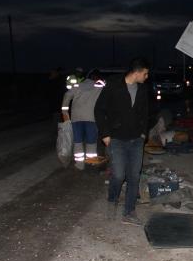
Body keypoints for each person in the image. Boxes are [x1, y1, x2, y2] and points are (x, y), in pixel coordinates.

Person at [94, 57, 151, 225]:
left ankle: (129, 212)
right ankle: (112, 199)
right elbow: (99, 110)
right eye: (146, 74)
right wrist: (105, 134)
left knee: (134, 176)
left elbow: (145, 113)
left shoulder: (142, 89)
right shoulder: (113, 85)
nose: (147, 77)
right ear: (138, 72)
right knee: (118, 175)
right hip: (117, 139)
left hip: (136, 140)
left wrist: (143, 134)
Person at [61, 68, 106, 170]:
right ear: (97, 78)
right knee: (91, 142)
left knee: (78, 141)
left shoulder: (77, 85)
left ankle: (79, 165)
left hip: (76, 118)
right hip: (92, 118)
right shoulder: (99, 86)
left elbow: (67, 95)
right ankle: (91, 163)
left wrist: (65, 112)